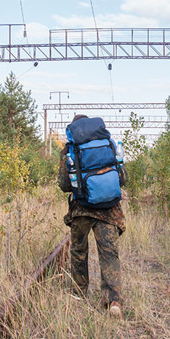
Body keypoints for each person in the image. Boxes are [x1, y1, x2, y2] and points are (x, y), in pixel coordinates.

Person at [58, 114, 126, 318]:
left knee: (79, 251)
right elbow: (122, 179)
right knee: (109, 254)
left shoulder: (71, 149)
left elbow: (64, 185)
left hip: (81, 211)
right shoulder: (108, 145)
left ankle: (79, 294)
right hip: (108, 211)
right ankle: (113, 301)